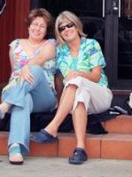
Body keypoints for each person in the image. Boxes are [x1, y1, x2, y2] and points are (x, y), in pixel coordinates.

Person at [31, 11, 112, 165]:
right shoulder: (60, 51)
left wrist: (79, 73)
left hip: (99, 95)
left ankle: (52, 128)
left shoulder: (91, 45)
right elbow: (59, 78)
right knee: (79, 96)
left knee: (78, 81)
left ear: (77, 26)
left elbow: (95, 76)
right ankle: (80, 149)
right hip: (78, 97)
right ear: (59, 33)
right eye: (62, 28)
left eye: (70, 25)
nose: (66, 29)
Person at [0, 8, 57, 165]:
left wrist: (25, 67)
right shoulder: (15, 45)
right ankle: (15, 147)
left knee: (34, 69)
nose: (37, 28)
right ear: (28, 26)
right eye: (35, 24)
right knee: (24, 98)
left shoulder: (50, 44)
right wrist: (20, 75)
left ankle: (3, 108)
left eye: (42, 26)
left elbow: (41, 59)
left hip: (44, 96)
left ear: (46, 30)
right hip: (18, 90)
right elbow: (12, 74)